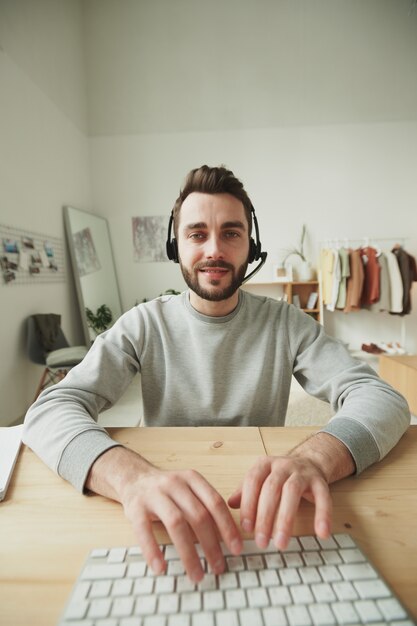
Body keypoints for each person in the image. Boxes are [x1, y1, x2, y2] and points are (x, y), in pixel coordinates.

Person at [23, 165, 410, 583]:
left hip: (260, 509)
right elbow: (50, 409)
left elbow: (383, 400)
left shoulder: (287, 324)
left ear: (250, 245)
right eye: (196, 234)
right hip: (163, 508)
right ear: (176, 246)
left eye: (230, 232)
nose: (214, 250)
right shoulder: (142, 324)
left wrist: (315, 458)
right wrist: (130, 477)